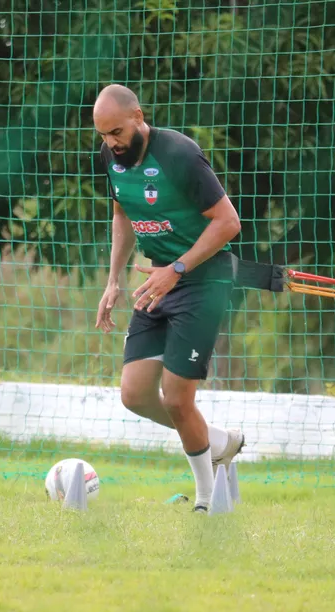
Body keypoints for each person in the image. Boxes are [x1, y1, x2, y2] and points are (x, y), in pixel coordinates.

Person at [92, 84, 244, 513]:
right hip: (157, 279)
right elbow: (123, 213)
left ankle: (204, 498)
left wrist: (177, 270)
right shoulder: (111, 158)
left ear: (139, 116)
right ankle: (217, 441)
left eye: (117, 132)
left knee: (178, 399)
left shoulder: (179, 154)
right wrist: (113, 281)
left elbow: (229, 222)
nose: (111, 144)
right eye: (103, 136)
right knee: (135, 394)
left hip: (201, 279)